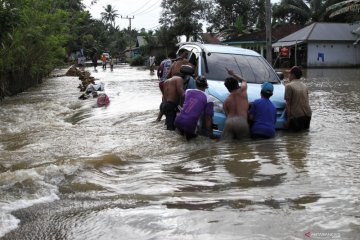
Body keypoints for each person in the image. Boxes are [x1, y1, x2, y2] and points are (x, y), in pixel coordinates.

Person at [174, 76, 215, 140]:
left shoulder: (188, 91)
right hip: (190, 124)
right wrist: (210, 135)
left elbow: (183, 103)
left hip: (178, 120)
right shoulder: (209, 98)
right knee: (191, 143)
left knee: (181, 140)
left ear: (196, 84)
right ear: (206, 85)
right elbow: (208, 118)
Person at [162, 65, 194, 130]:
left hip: (164, 105)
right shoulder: (179, 79)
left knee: (169, 125)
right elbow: (181, 92)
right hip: (171, 106)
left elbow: (164, 97)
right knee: (171, 130)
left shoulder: (166, 81)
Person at [222, 67, 249, 140]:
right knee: (244, 146)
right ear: (237, 84)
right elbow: (243, 80)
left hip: (229, 122)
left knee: (227, 144)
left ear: (228, 88)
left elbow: (226, 113)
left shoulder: (226, 101)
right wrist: (233, 74)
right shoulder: (243, 91)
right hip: (241, 121)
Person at [284, 66, 312, 131]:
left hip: (297, 117)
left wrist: (288, 121)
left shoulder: (289, 86)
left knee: (291, 138)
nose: (288, 76)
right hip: (308, 115)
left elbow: (288, 104)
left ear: (293, 75)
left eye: (289, 74)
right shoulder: (305, 86)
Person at [156, 52, 177, 122]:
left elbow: (159, 72)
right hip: (168, 82)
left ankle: (159, 119)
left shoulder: (163, 61)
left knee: (165, 99)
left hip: (161, 82)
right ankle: (162, 119)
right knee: (168, 101)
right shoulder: (174, 62)